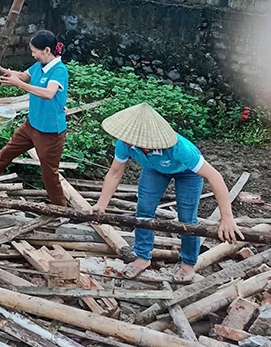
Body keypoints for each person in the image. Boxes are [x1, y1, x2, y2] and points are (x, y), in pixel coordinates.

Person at [93, 103, 243, 281]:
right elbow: (115, 173)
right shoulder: (125, 143)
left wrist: (227, 218)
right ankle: (142, 257)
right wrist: (101, 205)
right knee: (144, 211)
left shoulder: (179, 148)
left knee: (187, 219)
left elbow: (215, 177)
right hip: (154, 169)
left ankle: (188, 264)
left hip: (187, 173)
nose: (126, 140)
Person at [0, 30, 69, 206]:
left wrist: (20, 85)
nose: (32, 54)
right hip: (31, 126)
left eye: (34, 51)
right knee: (5, 153)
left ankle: (61, 210)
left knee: (49, 173)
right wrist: (2, 70)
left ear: (46, 50)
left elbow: (49, 93)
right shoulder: (39, 66)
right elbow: (23, 76)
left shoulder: (59, 70)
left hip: (50, 132)